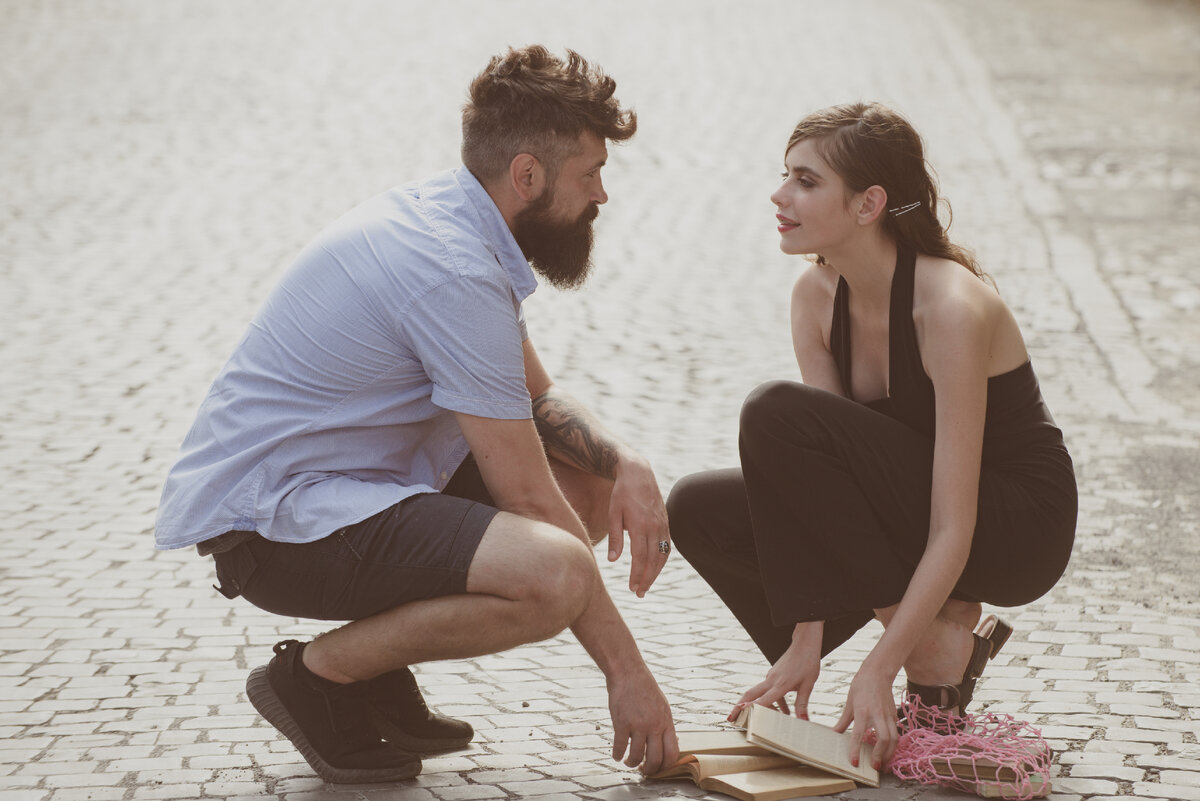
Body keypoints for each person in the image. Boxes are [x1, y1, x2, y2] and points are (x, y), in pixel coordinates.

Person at [154, 45, 679, 783]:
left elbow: (536, 402)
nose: (600, 196)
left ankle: (374, 672)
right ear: (526, 175)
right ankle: (319, 676)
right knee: (554, 573)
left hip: (352, 487)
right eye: (589, 174)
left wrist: (625, 458)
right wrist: (629, 675)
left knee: (588, 488)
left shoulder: (458, 218)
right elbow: (530, 499)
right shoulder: (452, 268)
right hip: (271, 527)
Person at [667, 102, 1076, 773]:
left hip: (1013, 522)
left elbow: (953, 521)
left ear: (868, 204)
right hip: (908, 512)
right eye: (784, 176)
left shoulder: (949, 306)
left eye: (805, 181)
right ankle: (941, 640)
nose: (780, 194)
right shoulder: (814, 298)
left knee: (773, 410)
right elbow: (811, 491)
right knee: (696, 508)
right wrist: (804, 639)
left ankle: (933, 652)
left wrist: (879, 667)